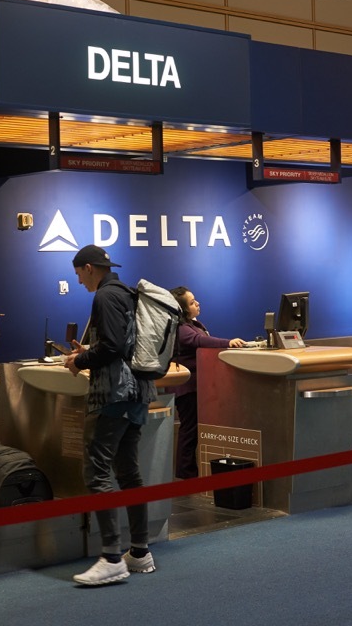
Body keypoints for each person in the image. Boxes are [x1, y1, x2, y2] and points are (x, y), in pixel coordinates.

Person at [61, 244, 157, 585]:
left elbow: (114, 346)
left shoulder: (104, 297)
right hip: (138, 393)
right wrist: (91, 350)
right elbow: (124, 344)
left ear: (88, 268)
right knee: (129, 472)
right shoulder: (127, 293)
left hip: (114, 395)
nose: (78, 280)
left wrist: (80, 360)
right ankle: (140, 552)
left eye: (77, 273)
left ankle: (112, 557)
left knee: (97, 470)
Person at [168, 286, 246, 480]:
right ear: (183, 309)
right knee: (189, 429)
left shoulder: (191, 324)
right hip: (187, 388)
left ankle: (189, 472)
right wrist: (228, 343)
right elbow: (200, 341)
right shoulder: (181, 329)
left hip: (197, 385)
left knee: (192, 429)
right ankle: (186, 473)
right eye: (192, 302)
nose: (198, 303)